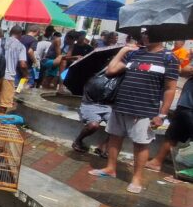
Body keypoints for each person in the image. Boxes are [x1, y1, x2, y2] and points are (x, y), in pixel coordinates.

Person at [89, 31, 179, 194]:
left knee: (141, 144)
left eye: (150, 33)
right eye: (144, 33)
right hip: (121, 104)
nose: (145, 36)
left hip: (144, 109)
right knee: (115, 137)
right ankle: (110, 168)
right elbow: (111, 70)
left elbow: (170, 89)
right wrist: (123, 51)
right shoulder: (135, 54)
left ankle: (137, 178)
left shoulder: (169, 58)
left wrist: (162, 114)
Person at [145, 60, 193, 181]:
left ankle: (186, 175)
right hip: (186, 104)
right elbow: (184, 71)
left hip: (188, 105)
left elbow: (185, 70)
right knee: (172, 134)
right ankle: (156, 162)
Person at [0, 25, 28, 113]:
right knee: (5, 102)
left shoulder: (1, 40)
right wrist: (26, 75)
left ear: (10, 32)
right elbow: (23, 65)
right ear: (20, 34)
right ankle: (0, 118)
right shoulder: (21, 46)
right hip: (9, 76)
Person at [71, 74, 111, 158]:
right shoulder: (92, 74)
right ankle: (78, 141)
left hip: (108, 106)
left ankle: (103, 146)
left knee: (118, 127)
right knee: (93, 125)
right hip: (89, 104)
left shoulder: (117, 77)